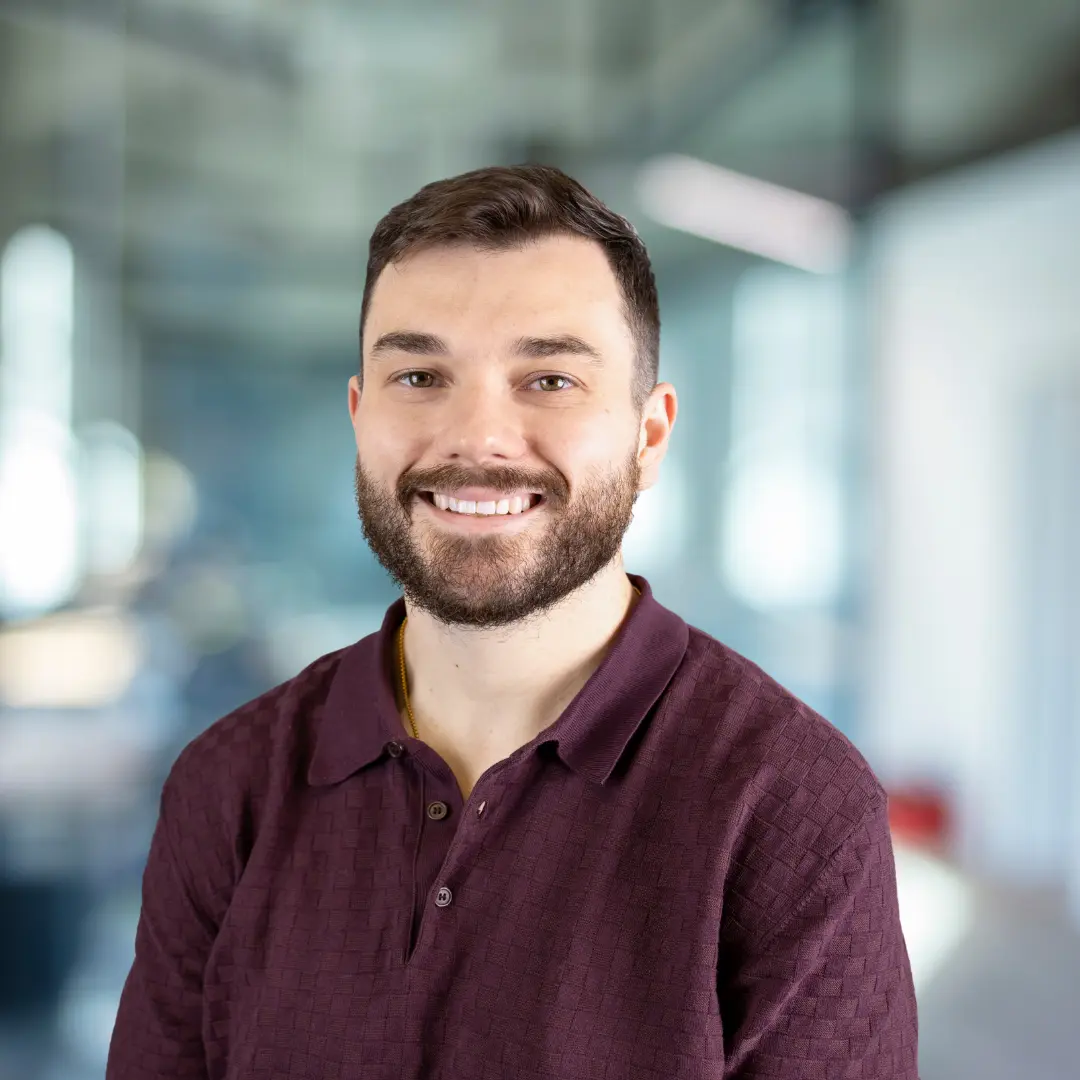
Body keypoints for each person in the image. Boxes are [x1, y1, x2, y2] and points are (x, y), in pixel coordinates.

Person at [107, 164, 919, 1079]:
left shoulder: (792, 808)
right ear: (360, 416)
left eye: (549, 379)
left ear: (648, 436)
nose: (478, 438)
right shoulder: (228, 786)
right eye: (420, 375)